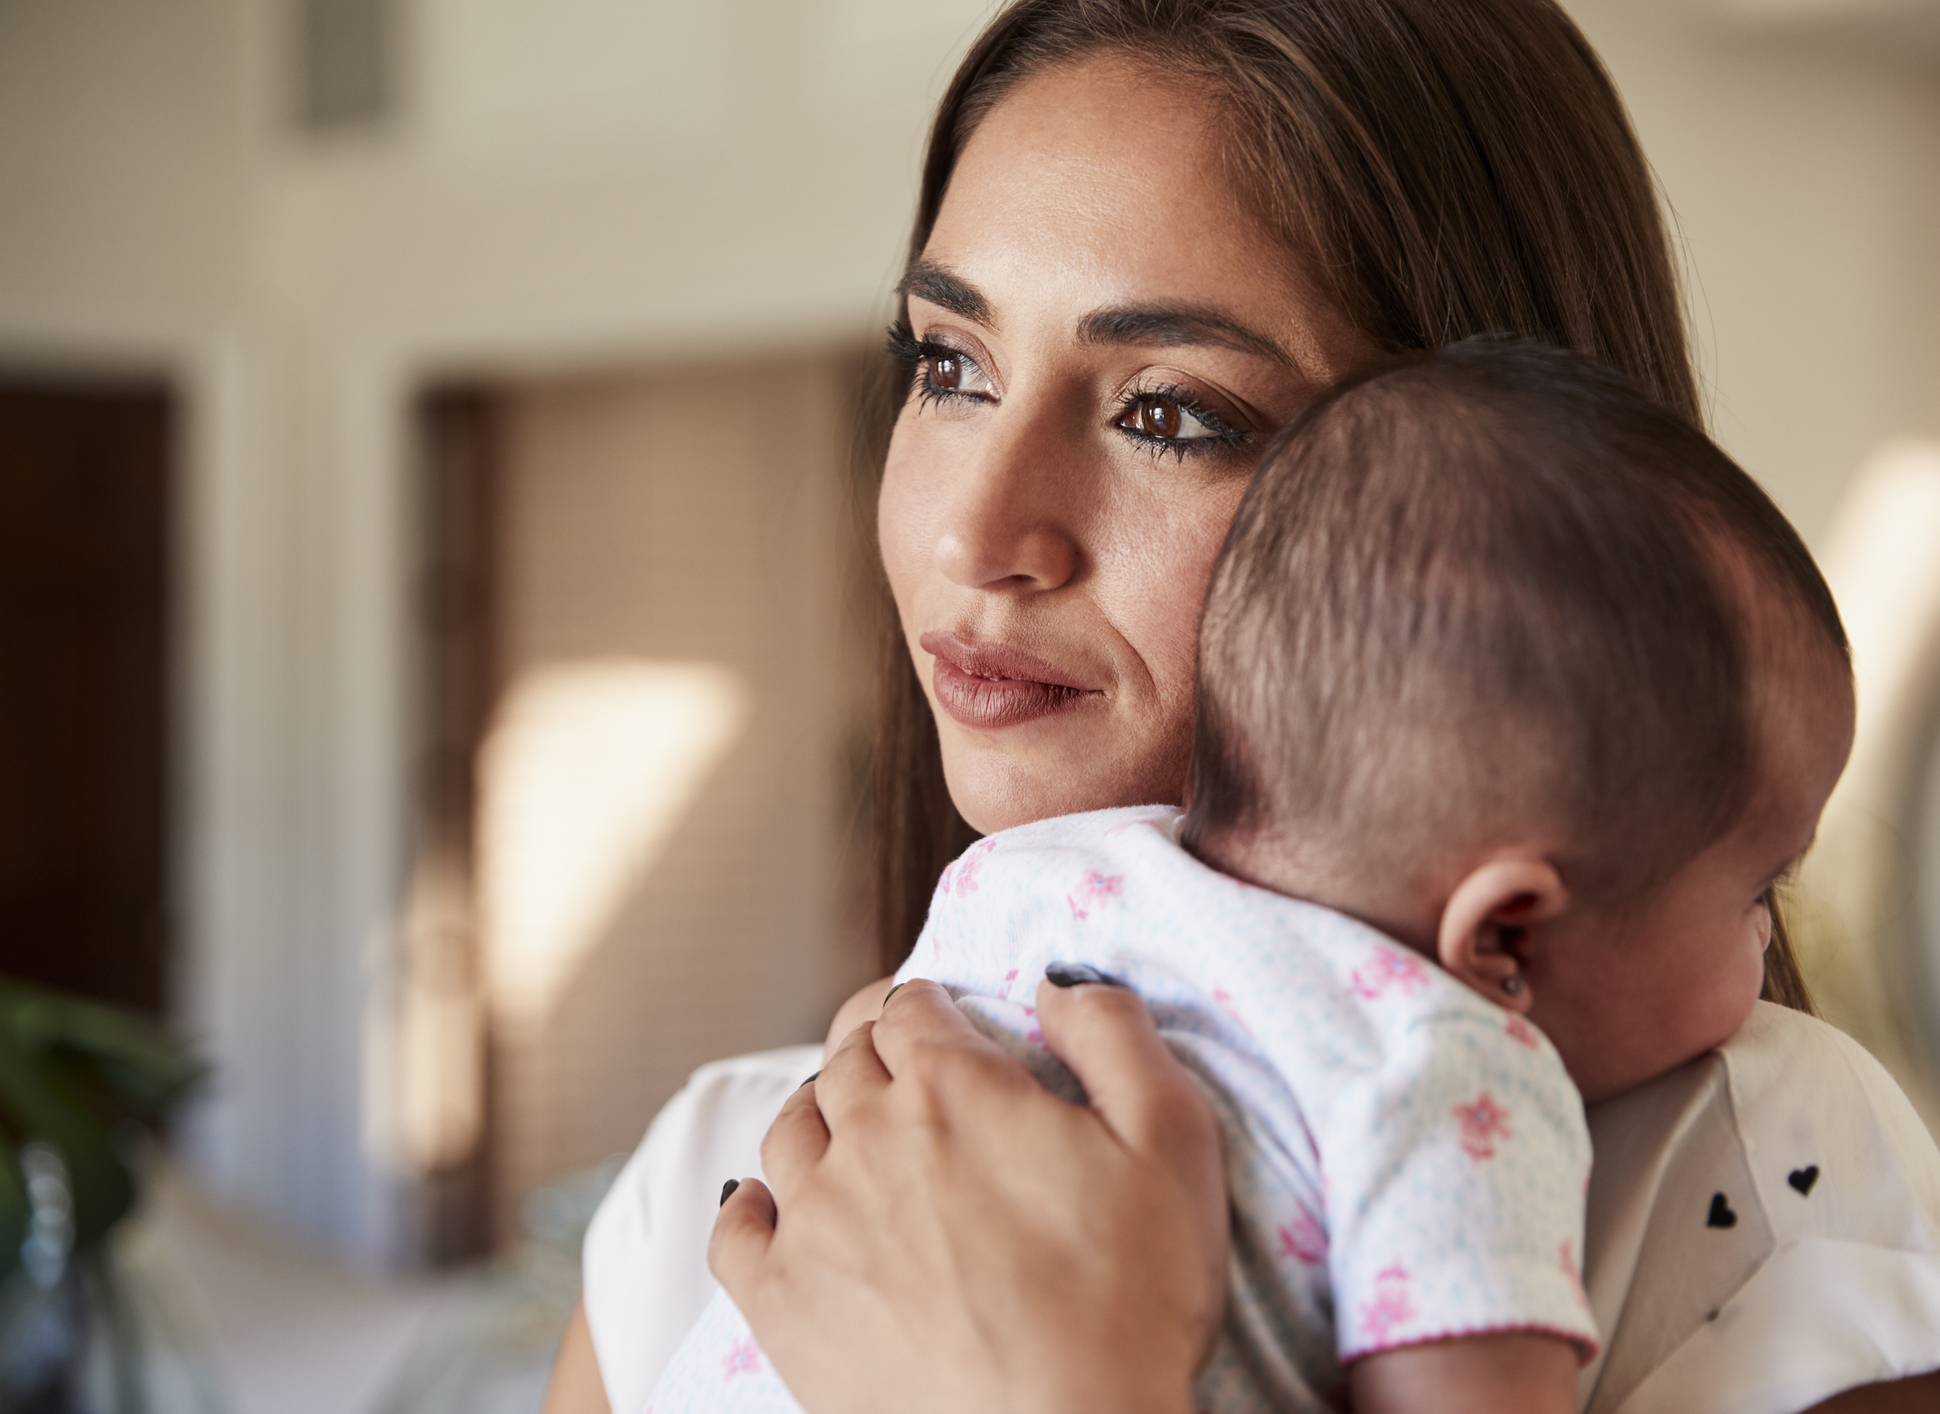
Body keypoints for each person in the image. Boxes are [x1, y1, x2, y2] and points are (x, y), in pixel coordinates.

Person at [539, 3, 1940, 1412]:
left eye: (1169, 413)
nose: (976, 534)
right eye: (949, 364)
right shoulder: (707, 1186)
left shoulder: (1770, 1185)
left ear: (1506, 509)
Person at [642, 342, 1859, 1414]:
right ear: (1506, 938)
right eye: (1759, 890)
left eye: (1168, 412)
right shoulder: (1451, 1073)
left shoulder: (1039, 875)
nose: (975, 533)